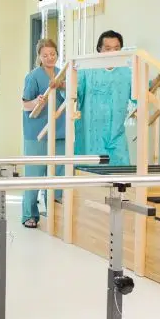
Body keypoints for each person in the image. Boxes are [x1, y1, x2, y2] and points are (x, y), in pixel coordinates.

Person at [21, 38, 65, 228]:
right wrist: (38, 102)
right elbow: (25, 104)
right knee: (35, 176)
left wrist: (62, 85)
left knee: (58, 177)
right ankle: (29, 215)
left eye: (53, 54)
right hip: (36, 133)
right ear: (39, 56)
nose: (50, 58)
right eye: (45, 55)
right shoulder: (33, 76)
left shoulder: (62, 74)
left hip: (60, 131)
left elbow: (73, 95)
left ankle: (55, 214)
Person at [74, 30, 132, 165]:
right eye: (108, 48)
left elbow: (141, 90)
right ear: (99, 49)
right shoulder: (87, 70)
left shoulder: (126, 71)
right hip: (91, 135)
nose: (112, 52)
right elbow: (74, 92)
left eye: (116, 49)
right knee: (91, 173)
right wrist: (62, 85)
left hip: (116, 134)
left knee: (121, 173)